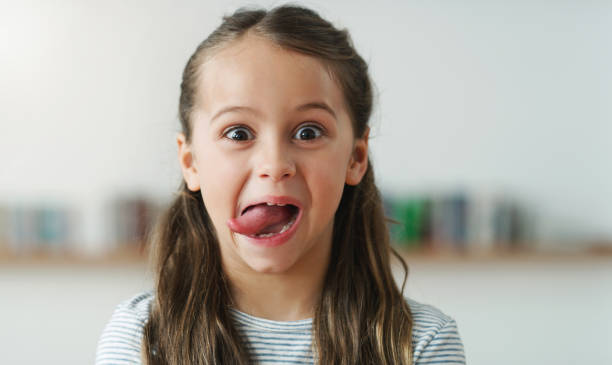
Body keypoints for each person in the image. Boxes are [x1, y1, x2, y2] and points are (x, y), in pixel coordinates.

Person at [95, 4, 466, 365]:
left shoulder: (420, 344)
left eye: (308, 132)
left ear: (355, 158)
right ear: (190, 162)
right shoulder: (142, 340)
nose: (274, 165)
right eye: (238, 133)